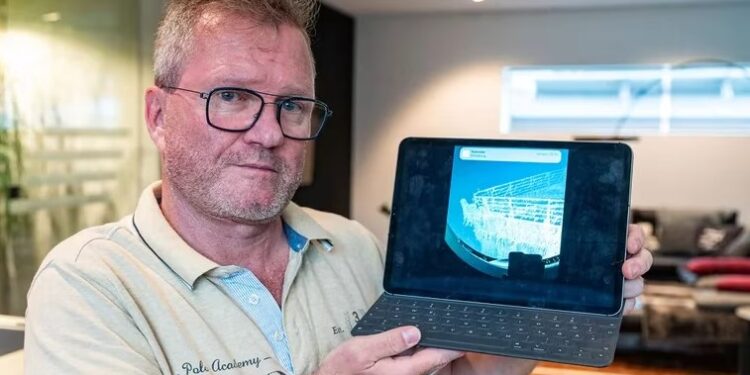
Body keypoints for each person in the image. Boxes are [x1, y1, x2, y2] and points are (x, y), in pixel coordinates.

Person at [24, 0, 653, 374]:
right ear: (158, 115)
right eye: (233, 97)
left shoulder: (353, 247)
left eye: (293, 106)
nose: (268, 133)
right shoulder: (89, 286)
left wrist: (538, 313)